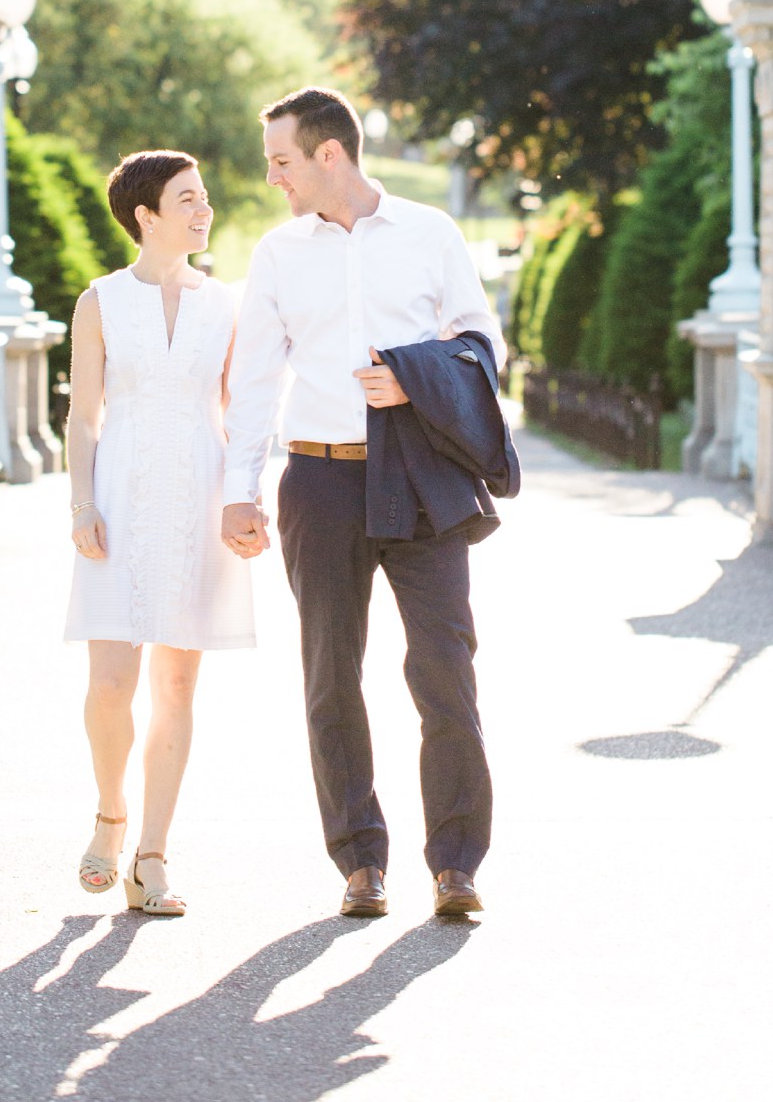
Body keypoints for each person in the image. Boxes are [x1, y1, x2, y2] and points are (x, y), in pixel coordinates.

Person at [221, 87, 505, 920]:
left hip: (419, 476)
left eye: (280, 161)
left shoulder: (429, 233)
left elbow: (481, 341)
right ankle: (359, 861)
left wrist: (414, 376)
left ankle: (455, 863)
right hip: (320, 479)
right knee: (329, 676)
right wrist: (240, 491)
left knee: (444, 667)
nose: (272, 177)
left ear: (328, 155)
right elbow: (254, 382)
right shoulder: (277, 254)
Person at [63, 149, 256, 916]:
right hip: (118, 497)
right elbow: (82, 416)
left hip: (196, 500)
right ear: (146, 215)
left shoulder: (226, 304)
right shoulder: (100, 301)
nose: (202, 210)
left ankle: (151, 857)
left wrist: (244, 500)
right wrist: (81, 505)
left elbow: (241, 413)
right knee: (110, 683)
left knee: (177, 684)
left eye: (203, 197)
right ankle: (110, 813)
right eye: (187, 198)